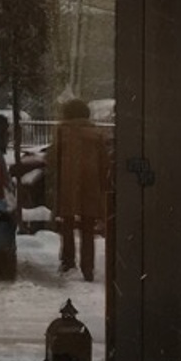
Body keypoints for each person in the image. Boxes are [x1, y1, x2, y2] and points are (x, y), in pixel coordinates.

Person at [52, 98, 111, 281]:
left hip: (68, 184)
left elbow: (53, 160)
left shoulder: (62, 132)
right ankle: (88, 267)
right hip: (90, 185)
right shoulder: (96, 133)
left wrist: (56, 181)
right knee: (88, 227)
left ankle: (68, 262)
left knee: (67, 224)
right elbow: (104, 162)